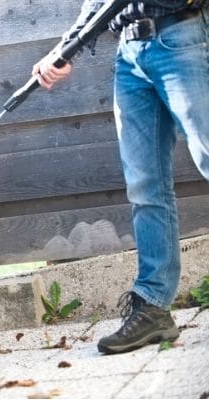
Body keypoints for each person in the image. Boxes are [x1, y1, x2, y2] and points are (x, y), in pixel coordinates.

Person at [33, 0, 208, 354]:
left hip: (182, 34)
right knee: (145, 185)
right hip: (129, 53)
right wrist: (66, 47)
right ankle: (153, 304)